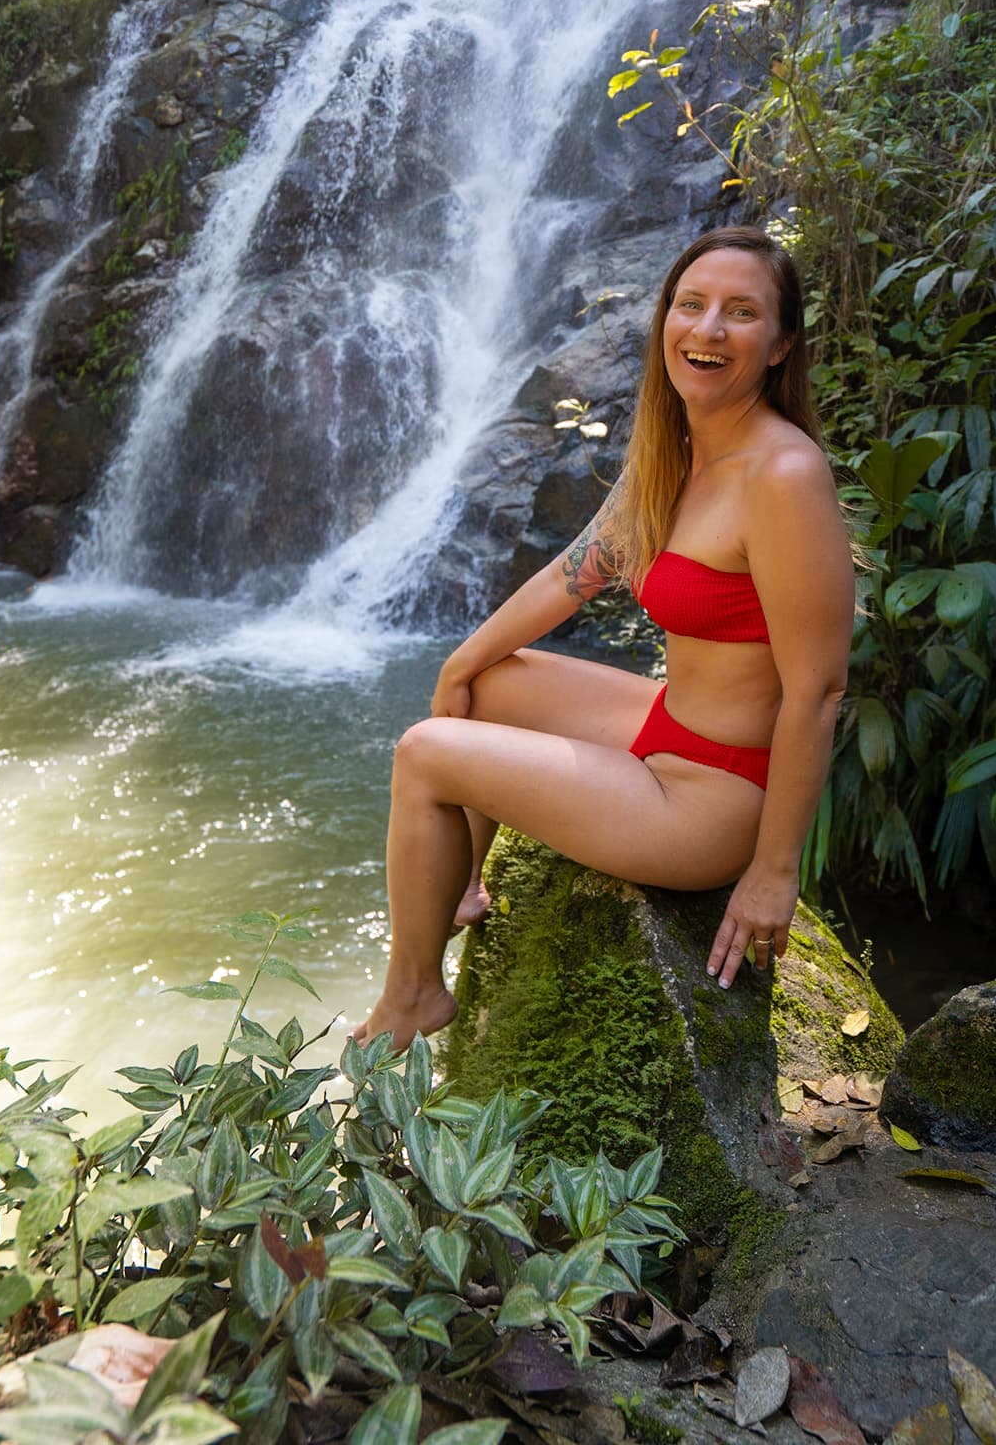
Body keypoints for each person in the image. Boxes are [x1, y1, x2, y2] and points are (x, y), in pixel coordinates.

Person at [353, 225, 855, 1050]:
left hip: (717, 795)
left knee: (425, 750)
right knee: (482, 687)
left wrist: (771, 872)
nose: (708, 330)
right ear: (665, 320)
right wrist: (461, 659)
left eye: (741, 312)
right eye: (691, 306)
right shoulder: (682, 449)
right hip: (666, 727)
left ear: (780, 344)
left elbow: (819, 689)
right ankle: (460, 890)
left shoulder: (784, 476)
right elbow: (575, 573)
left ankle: (412, 997)